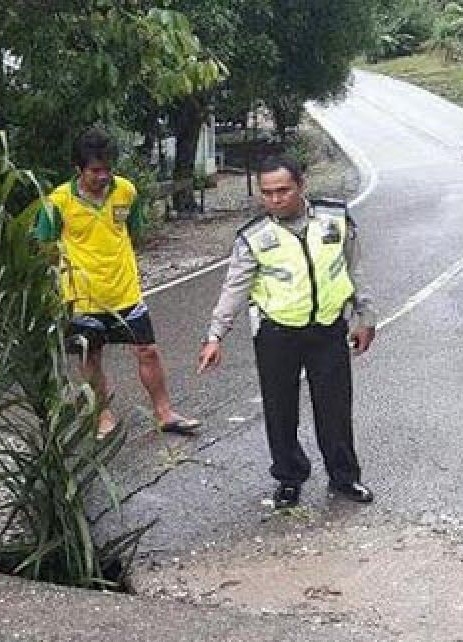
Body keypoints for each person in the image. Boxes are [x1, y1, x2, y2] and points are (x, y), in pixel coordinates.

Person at [197, 154, 377, 510]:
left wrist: (365, 316)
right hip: (277, 335)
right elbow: (234, 288)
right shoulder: (254, 237)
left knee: (335, 409)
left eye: (283, 190)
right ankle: (289, 479)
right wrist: (215, 336)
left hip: (327, 330)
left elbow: (354, 270)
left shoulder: (335, 219)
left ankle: (344, 477)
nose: (276, 199)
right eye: (267, 193)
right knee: (280, 411)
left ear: (301, 186)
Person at [34, 126, 200, 439]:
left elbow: (133, 230)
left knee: (147, 350)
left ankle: (165, 413)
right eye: (96, 170)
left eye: (108, 169)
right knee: (90, 357)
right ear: (78, 169)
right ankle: (103, 415)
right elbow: (44, 246)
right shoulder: (57, 202)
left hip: (125, 290)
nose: (103, 177)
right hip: (81, 297)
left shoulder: (126, 191)